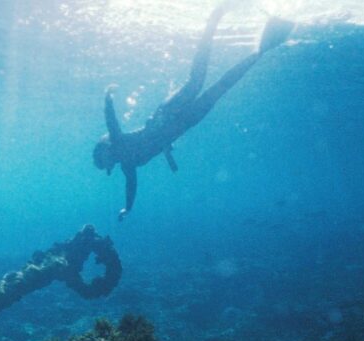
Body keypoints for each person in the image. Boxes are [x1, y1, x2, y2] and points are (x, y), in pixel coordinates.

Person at [93, 4, 294, 220]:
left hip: (169, 115)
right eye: (105, 164)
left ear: (104, 150)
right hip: (182, 124)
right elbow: (131, 186)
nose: (107, 163)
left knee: (199, 79)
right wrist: (128, 208)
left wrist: (107, 97)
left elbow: (111, 121)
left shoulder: (119, 145)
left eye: (103, 160)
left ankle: (215, 18)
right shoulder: (127, 166)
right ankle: (261, 49)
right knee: (219, 88)